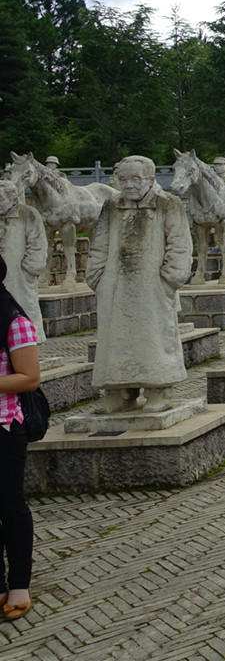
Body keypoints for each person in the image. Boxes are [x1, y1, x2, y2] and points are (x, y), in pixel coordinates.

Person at [87, 156, 194, 413]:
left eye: (136, 179)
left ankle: (159, 388)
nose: (129, 185)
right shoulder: (111, 206)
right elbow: (99, 245)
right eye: (123, 179)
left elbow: (179, 244)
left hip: (153, 285)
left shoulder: (168, 204)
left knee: (154, 337)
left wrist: (170, 279)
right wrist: (97, 278)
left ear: (150, 179)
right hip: (115, 286)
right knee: (115, 340)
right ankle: (118, 389)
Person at [0, 256, 40, 622]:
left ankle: (19, 584)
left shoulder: (13, 322)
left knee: (10, 504)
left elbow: (29, 377)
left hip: (5, 426)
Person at [0, 182, 47, 346]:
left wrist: (29, 270)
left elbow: (38, 244)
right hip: (4, 272)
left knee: (25, 306)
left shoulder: (28, 214)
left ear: (12, 198)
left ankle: (31, 342)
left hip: (20, 273)